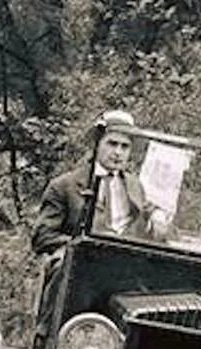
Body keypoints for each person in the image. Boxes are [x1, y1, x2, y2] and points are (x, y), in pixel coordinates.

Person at [30, 109, 150, 255]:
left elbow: (147, 228)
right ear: (98, 144)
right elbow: (43, 238)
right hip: (84, 265)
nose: (118, 152)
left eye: (125, 146)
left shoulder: (135, 186)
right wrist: (87, 245)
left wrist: (158, 218)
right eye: (112, 144)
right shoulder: (63, 186)